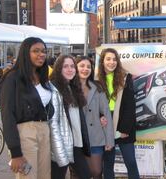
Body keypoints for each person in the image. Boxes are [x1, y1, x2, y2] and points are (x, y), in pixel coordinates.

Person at [0, 37, 52, 179]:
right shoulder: (12, 78)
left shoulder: (42, 76)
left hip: (44, 130)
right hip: (25, 133)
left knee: (44, 175)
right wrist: (16, 153)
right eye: (36, 51)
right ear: (25, 53)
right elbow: (7, 115)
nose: (41, 54)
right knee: (28, 176)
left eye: (43, 51)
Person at [98, 48, 140, 179]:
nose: (111, 62)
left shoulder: (125, 77)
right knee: (108, 164)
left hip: (123, 123)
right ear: (102, 61)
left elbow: (129, 105)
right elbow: (93, 105)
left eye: (114, 59)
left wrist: (124, 129)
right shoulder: (96, 79)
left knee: (131, 162)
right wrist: (100, 118)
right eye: (108, 59)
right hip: (105, 124)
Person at [49, 55, 91, 179]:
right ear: (58, 69)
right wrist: (59, 149)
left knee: (85, 175)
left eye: (72, 66)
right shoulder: (54, 89)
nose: (70, 69)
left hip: (76, 143)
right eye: (65, 66)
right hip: (61, 145)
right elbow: (53, 122)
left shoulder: (73, 87)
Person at [76, 56, 115, 178]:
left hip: (96, 136)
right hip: (77, 137)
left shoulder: (97, 87)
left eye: (88, 67)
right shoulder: (69, 88)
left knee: (97, 171)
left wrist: (109, 139)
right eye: (82, 66)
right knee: (82, 173)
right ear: (75, 68)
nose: (85, 69)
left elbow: (106, 112)